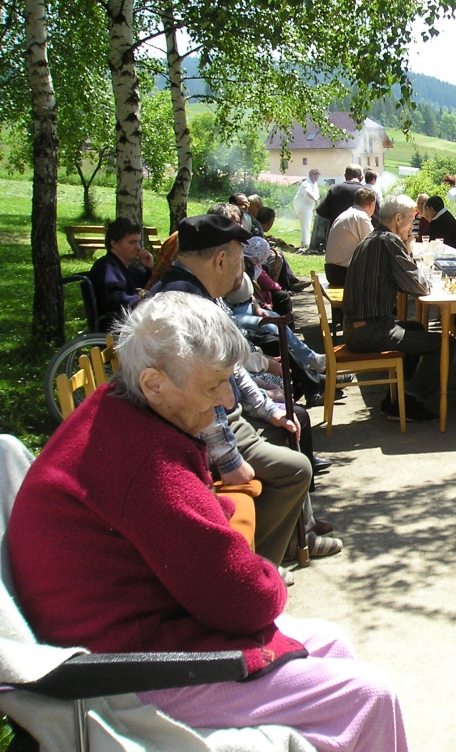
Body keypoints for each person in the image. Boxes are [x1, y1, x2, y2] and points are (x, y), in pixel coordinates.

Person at [9, 293, 408, 752]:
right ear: (154, 383)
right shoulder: (148, 459)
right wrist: (262, 572)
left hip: (134, 633)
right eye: (213, 385)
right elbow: (247, 599)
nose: (226, 399)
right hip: (119, 675)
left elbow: (190, 529)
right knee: (371, 696)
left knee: (332, 642)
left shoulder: (120, 411)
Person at [149, 214, 339, 566]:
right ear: (220, 260)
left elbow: (233, 368)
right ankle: (260, 565)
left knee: (290, 425)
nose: (243, 270)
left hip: (227, 420)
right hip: (203, 433)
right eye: (240, 260)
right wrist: (229, 460)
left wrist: (269, 410)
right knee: (296, 469)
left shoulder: (202, 296)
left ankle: (298, 537)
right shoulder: (185, 307)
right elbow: (201, 402)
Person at [342, 194, 448, 423]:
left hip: (357, 328)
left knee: (416, 329)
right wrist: (408, 250)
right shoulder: (389, 241)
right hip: (370, 331)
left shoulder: (373, 238)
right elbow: (419, 287)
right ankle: (408, 401)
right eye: (411, 220)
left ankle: (394, 399)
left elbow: (404, 283)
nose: (413, 226)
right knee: (444, 344)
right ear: (398, 218)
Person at [87, 217, 153, 330]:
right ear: (114, 244)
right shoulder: (106, 267)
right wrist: (141, 300)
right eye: (132, 242)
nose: (138, 248)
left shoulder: (131, 270)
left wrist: (150, 268)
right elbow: (114, 299)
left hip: (133, 323)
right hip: (117, 327)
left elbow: (149, 287)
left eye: (138, 242)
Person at [325, 187, 376, 287]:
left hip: (332, 271)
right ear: (372, 205)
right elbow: (374, 246)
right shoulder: (361, 217)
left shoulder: (346, 214)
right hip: (344, 273)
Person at [311, 165, 364, 254]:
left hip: (335, 238)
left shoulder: (335, 189)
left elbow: (321, 212)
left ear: (345, 176)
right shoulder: (365, 191)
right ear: (361, 177)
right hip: (357, 240)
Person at [292, 168, 320, 250]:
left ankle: (305, 242)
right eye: (316, 175)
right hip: (302, 207)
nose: (317, 177)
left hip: (309, 207)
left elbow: (316, 195)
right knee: (305, 224)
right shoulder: (306, 183)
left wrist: (315, 204)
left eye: (318, 175)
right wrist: (315, 199)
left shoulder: (315, 184)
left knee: (308, 224)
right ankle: (305, 243)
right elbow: (308, 193)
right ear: (312, 175)